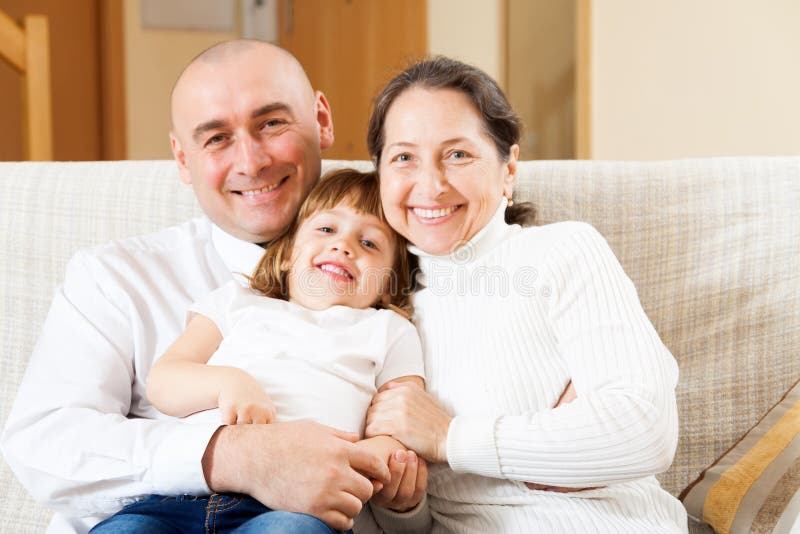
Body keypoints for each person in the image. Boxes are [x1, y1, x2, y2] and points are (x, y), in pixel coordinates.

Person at [0, 40, 425, 534]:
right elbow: (45, 445)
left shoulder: (408, 282)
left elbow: (401, 443)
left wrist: (394, 477)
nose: (251, 162)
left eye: (271, 123)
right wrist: (232, 455)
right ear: (183, 159)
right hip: (157, 512)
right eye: (217, 138)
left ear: (321, 120)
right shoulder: (116, 277)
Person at [363, 57, 689, 532]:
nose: (431, 185)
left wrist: (450, 438)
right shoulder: (380, 309)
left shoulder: (562, 252)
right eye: (403, 158)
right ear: (379, 175)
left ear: (509, 169)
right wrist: (403, 505)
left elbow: (643, 429)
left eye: (458, 154)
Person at [90, 169, 426, 533]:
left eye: (369, 243)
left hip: (297, 505)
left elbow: (399, 422)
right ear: (288, 253)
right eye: (327, 229)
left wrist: (374, 459)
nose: (343, 245)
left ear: (389, 283)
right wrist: (230, 383)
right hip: (181, 494)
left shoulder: (389, 330)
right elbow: (164, 381)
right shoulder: (237, 302)